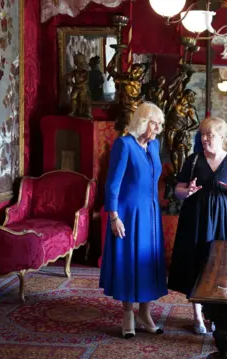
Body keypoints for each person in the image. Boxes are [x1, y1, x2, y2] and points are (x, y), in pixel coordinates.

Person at [168, 116, 227, 334]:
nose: (204, 139)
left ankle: (216, 313)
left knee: (223, 266)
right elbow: (178, 190)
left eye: (209, 135)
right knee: (197, 263)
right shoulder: (193, 160)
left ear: (222, 137)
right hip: (196, 218)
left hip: (224, 220)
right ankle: (197, 316)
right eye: (202, 134)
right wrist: (188, 192)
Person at [100, 102, 167, 339]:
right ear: (142, 122)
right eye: (154, 123)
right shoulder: (124, 144)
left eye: (160, 124)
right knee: (128, 261)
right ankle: (128, 313)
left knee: (147, 261)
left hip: (150, 213)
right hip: (128, 213)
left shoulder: (155, 145)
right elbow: (113, 183)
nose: (158, 129)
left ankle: (145, 313)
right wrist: (114, 217)